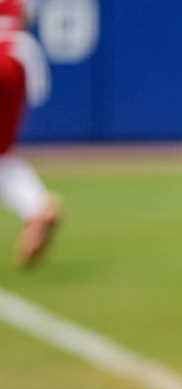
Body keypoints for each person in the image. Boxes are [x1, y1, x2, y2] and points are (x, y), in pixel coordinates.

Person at [0, 0, 58, 266]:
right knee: (4, 160)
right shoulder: (24, 43)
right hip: (15, 60)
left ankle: (38, 208)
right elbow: (36, 93)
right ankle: (37, 207)